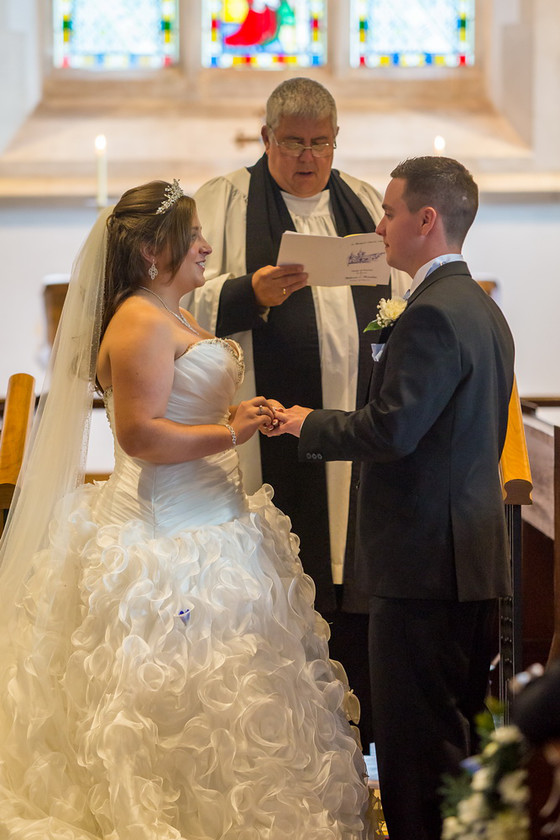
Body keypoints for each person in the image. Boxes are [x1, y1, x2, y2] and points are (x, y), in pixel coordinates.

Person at [0, 180, 371, 839]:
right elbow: (140, 435)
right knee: (176, 700)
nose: (205, 246)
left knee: (238, 699)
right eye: (191, 236)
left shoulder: (170, 311)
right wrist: (233, 433)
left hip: (219, 521)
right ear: (150, 251)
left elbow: (180, 408)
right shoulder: (140, 320)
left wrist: (231, 415)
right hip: (165, 538)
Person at [267, 156, 516, 840]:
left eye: (389, 210)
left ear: (425, 220)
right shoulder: (481, 310)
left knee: (415, 749)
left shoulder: (433, 315)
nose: (379, 223)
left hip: (421, 564)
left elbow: (392, 428)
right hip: (466, 554)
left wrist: (303, 422)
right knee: (449, 739)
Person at [188, 76, 408, 749]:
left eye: (320, 143)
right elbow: (176, 302)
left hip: (356, 429)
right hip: (266, 436)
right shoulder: (221, 203)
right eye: (293, 144)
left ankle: (354, 742)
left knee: (352, 574)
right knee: (285, 583)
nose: (308, 157)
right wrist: (246, 291)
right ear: (266, 139)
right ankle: (284, 742)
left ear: (336, 141)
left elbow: (397, 291)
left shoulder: (366, 202)